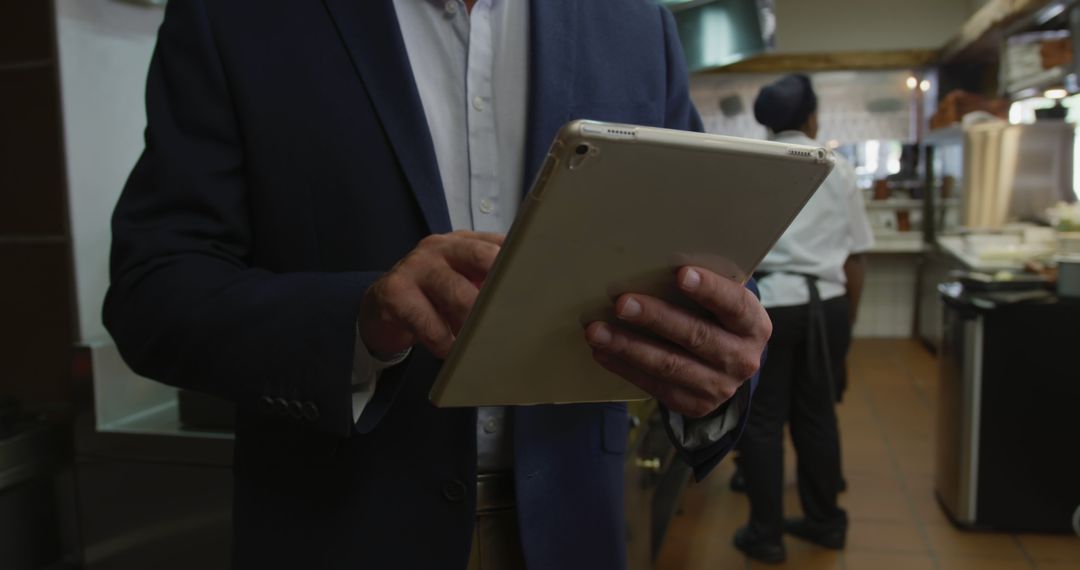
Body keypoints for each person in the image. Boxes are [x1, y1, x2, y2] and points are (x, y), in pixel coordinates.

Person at [102, 1, 773, 569]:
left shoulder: (632, 22)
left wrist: (718, 363)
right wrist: (358, 322)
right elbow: (153, 289)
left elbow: (702, 267)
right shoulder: (237, 16)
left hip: (578, 532)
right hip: (337, 534)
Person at [731, 74, 873, 564]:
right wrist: (846, 330)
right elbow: (856, 259)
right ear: (812, 117)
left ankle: (765, 535)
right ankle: (825, 523)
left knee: (763, 421)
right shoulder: (840, 167)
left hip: (767, 303)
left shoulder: (753, 166)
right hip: (825, 306)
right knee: (817, 416)